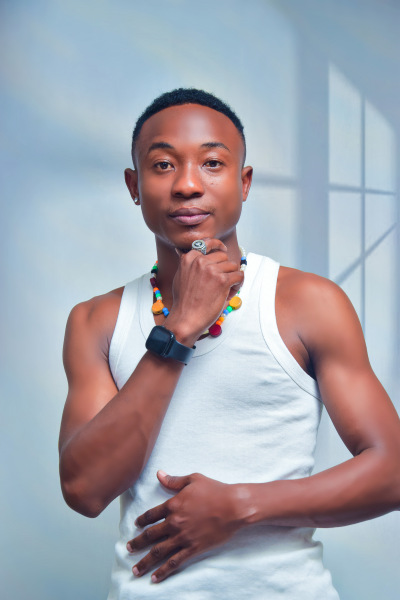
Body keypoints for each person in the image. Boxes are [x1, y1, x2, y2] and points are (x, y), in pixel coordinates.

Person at [59, 88, 400, 599]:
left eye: (212, 163)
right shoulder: (96, 321)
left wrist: (239, 505)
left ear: (244, 183)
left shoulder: (308, 303)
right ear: (134, 185)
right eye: (163, 165)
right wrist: (178, 330)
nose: (187, 184)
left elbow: (392, 472)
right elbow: (84, 490)